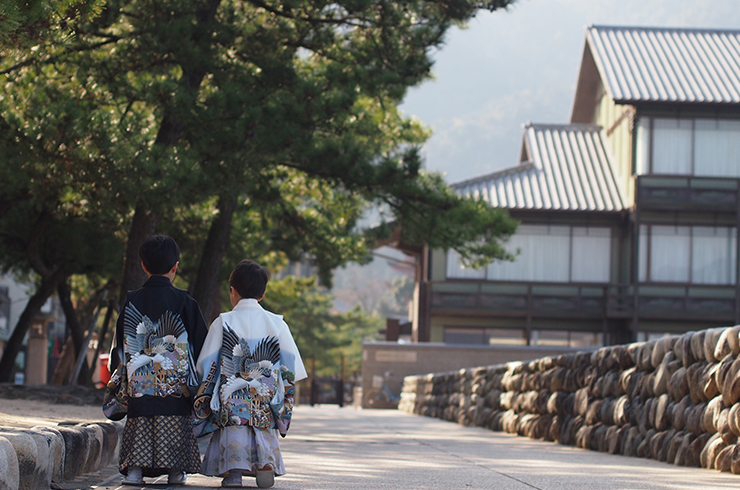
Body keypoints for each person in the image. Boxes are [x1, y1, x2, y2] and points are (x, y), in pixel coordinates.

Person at [195, 259, 307, 488]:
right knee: (262, 430)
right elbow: (291, 367)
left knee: (234, 431)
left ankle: (234, 475)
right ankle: (264, 465)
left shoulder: (223, 322)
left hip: (231, 399)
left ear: (232, 291)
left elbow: (206, 365)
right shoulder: (277, 323)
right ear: (262, 294)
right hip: (264, 398)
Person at [108, 235, 208, 485]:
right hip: (176, 389)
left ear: (143, 266)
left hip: (138, 385)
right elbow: (202, 345)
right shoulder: (186, 302)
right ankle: (176, 472)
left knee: (138, 422)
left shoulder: (132, 300)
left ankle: (134, 472)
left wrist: (119, 379)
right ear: (175, 266)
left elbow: (119, 344)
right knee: (175, 423)